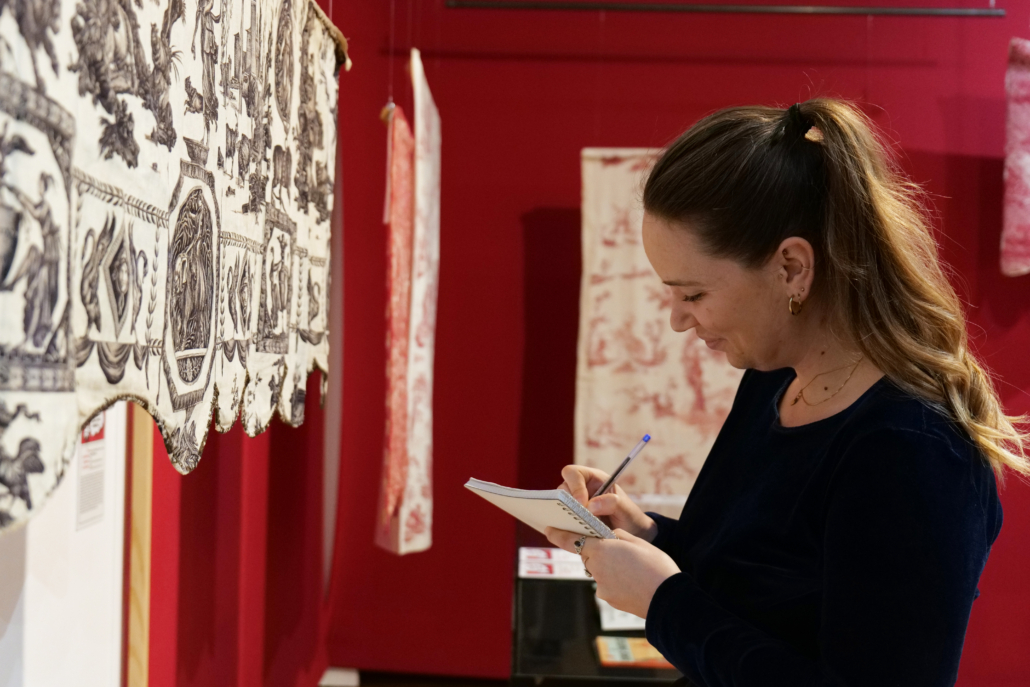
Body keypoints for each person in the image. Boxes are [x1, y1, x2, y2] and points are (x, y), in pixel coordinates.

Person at [546, 98, 1030, 687]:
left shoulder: (914, 451)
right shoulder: (773, 381)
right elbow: (750, 582)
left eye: (693, 295)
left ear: (793, 269)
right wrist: (642, 532)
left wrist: (664, 603)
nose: (677, 319)